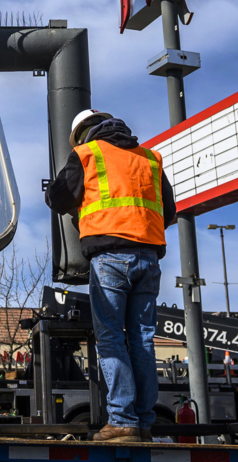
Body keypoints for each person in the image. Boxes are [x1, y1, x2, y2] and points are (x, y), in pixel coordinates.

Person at [44, 110, 175, 442]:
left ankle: (122, 420)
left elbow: (58, 198)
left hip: (110, 259)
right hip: (149, 258)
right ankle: (143, 423)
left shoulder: (88, 154)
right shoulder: (150, 158)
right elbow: (169, 211)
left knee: (112, 340)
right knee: (142, 343)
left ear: (83, 134)